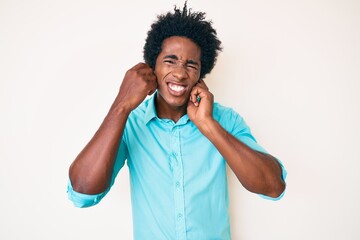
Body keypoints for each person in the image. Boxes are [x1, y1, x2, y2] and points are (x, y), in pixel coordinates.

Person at [67, 2, 287, 239]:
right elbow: (82, 192)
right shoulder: (130, 123)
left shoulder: (225, 119)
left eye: (191, 64)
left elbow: (273, 186)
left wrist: (207, 125)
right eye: (170, 60)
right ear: (153, 68)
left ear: (200, 76)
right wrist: (121, 105)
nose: (181, 73)